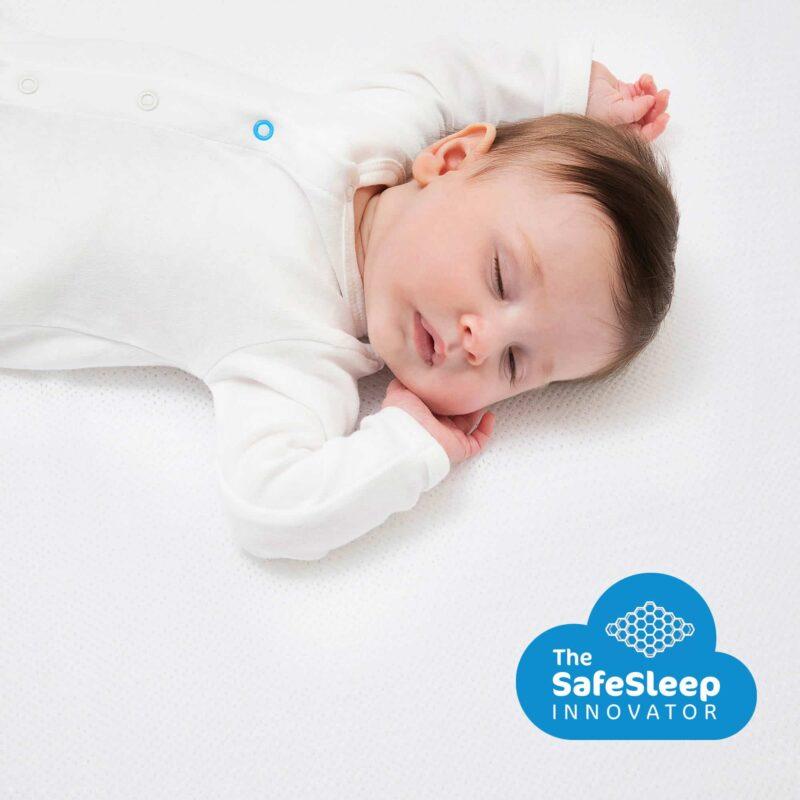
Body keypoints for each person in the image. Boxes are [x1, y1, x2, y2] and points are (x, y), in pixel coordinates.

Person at [0, 18, 677, 560]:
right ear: (450, 159)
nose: (482, 340)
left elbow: (270, 509)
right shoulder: (376, 131)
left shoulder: (302, 351)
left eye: (513, 363)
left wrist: (406, 448)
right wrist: (572, 88)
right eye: (500, 277)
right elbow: (449, 71)